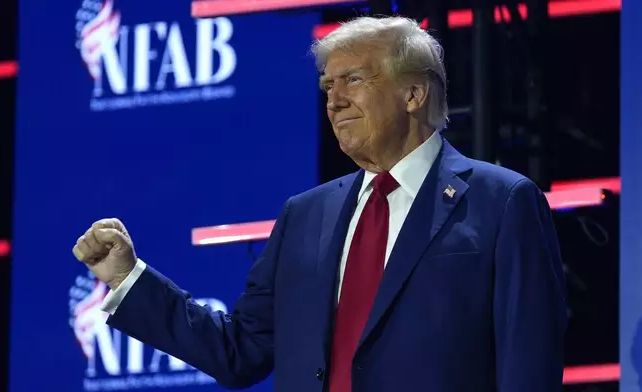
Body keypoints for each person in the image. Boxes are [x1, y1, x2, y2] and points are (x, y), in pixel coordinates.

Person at [72, 16, 567, 392]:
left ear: (413, 93)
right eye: (328, 86)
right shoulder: (306, 214)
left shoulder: (502, 201)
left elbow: (529, 366)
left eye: (354, 80)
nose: (334, 100)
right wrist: (127, 277)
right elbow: (240, 350)